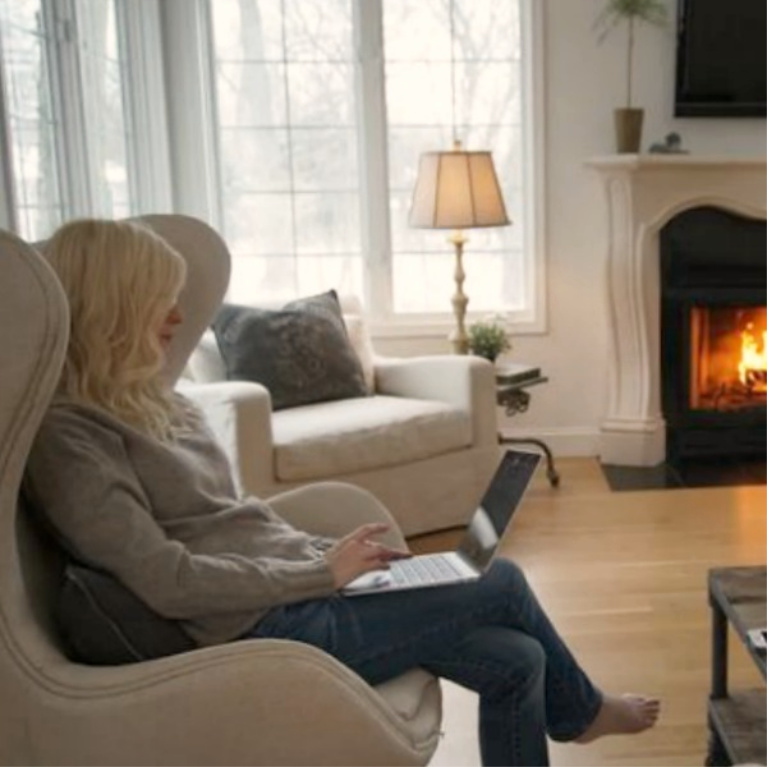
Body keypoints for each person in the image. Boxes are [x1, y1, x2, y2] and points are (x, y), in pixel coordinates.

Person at [24, 218, 660, 766]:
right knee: (502, 579)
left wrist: (338, 559)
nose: (176, 317)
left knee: (517, 658)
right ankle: (583, 714)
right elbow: (168, 579)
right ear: (112, 310)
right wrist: (319, 575)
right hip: (257, 630)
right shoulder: (71, 436)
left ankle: (570, 705)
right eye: (156, 302)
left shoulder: (155, 402)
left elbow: (237, 522)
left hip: (296, 592)